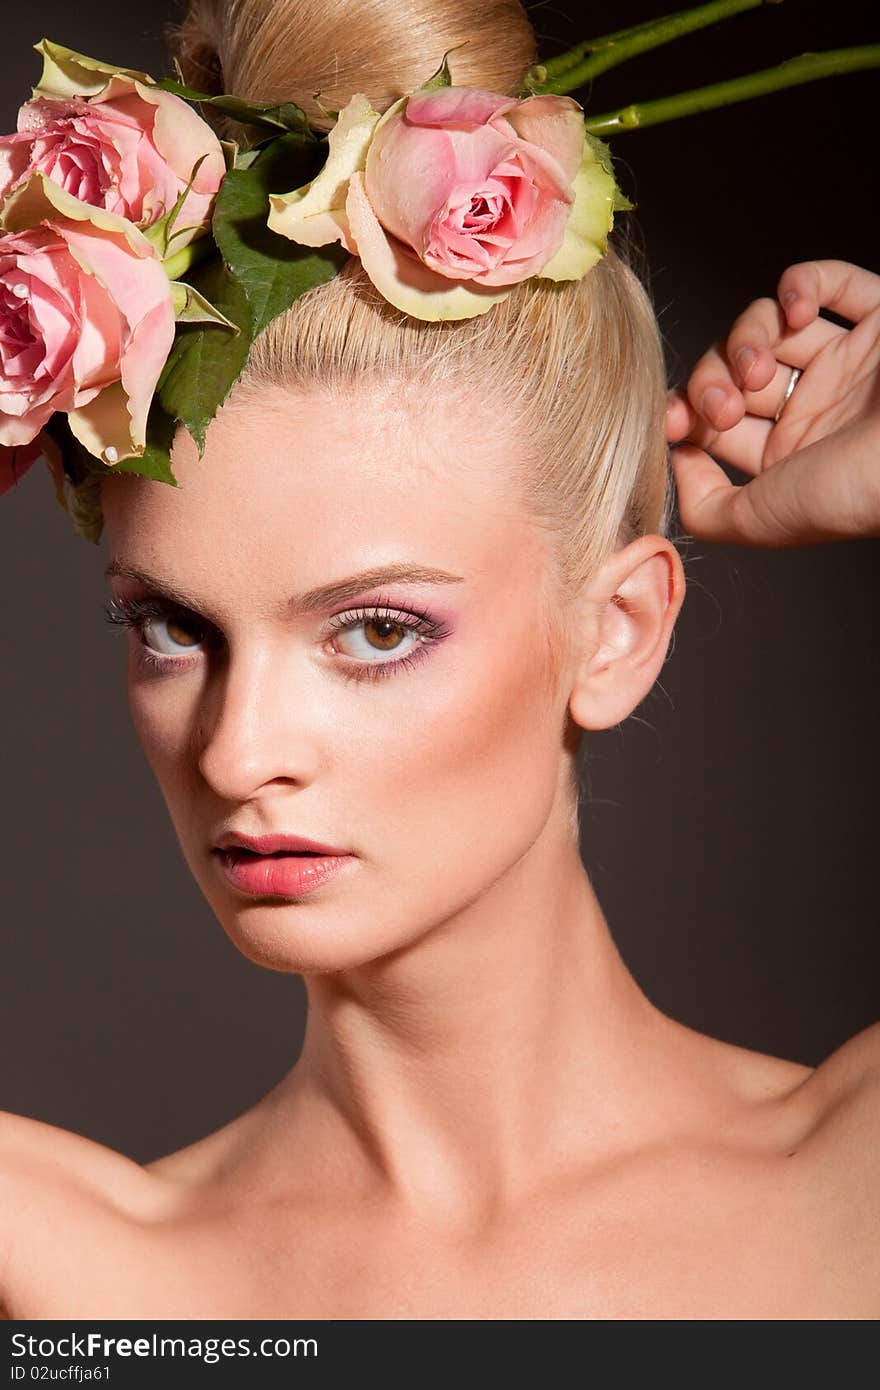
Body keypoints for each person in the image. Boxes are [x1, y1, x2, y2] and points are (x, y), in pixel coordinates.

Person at [1, 0, 878, 1319]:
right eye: (173, 628)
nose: (240, 752)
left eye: (375, 630)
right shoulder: (70, 1270)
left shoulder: (856, 1180)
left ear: (619, 632)